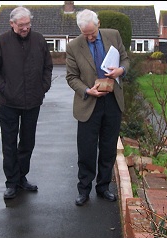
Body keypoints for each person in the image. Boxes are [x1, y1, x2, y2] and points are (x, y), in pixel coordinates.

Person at [0, 6, 53, 200]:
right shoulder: (2, 42)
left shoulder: (39, 40)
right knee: (9, 143)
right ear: (12, 24)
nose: (25, 28)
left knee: (27, 142)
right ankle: (11, 182)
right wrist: (5, 89)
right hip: (8, 103)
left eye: (28, 24)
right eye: (22, 25)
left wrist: (43, 87)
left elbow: (48, 66)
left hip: (33, 101)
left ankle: (22, 177)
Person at [66, 9, 129, 206]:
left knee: (109, 148)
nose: (90, 37)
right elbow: (71, 77)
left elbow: (126, 59)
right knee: (86, 150)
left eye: (92, 33)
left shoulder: (114, 35)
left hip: (112, 101)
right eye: (86, 34)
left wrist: (121, 69)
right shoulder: (73, 46)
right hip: (88, 103)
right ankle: (83, 190)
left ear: (98, 23)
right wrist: (87, 90)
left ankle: (103, 187)